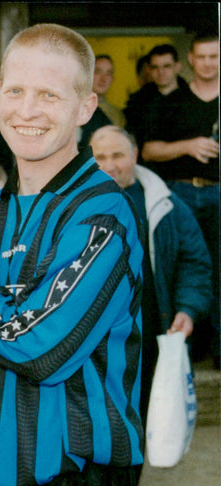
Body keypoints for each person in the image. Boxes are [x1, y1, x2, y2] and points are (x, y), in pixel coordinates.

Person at [0, 23, 144, 486]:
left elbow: (40, 348)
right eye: (15, 91)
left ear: (84, 107)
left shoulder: (102, 218)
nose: (26, 111)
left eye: (49, 94)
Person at [90, 125, 211, 428]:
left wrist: (187, 308)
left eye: (118, 155)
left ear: (135, 155)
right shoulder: (73, 203)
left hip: (148, 333)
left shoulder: (165, 204)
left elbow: (194, 261)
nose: (109, 165)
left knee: (141, 419)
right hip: (91, 337)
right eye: (99, 157)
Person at [138, 35, 219, 368]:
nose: (209, 63)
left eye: (215, 56)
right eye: (202, 57)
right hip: (180, 193)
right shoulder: (172, 100)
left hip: (218, 190)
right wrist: (188, 145)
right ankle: (188, 347)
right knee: (179, 268)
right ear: (190, 60)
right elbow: (147, 150)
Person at [124, 44, 189, 149]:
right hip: (145, 164)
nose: (160, 72)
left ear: (178, 67)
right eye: (155, 67)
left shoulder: (192, 99)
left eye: (166, 66)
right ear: (149, 70)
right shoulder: (137, 103)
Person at [93, 54, 125, 126]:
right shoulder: (77, 108)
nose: (103, 79)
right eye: (97, 72)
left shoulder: (118, 115)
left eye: (108, 73)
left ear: (112, 79)